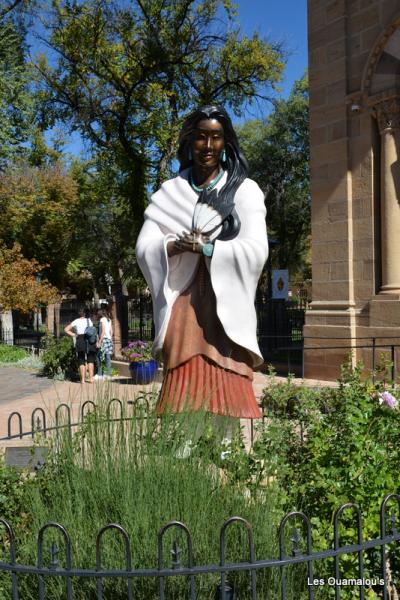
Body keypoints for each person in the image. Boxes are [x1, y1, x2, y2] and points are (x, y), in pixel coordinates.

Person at [135, 105, 268, 418]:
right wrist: (173, 245)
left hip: (226, 306)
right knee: (184, 370)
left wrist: (209, 250)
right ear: (189, 141)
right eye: (201, 137)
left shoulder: (244, 192)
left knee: (226, 371)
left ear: (226, 143)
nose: (208, 146)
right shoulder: (171, 192)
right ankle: (184, 449)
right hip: (185, 301)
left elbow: (256, 249)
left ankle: (224, 448)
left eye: (216, 137)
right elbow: (145, 246)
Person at [64, 307, 97, 384]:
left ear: (79, 313)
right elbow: (92, 331)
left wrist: (74, 334)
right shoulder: (89, 320)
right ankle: (91, 379)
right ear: (85, 313)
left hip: (80, 339)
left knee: (81, 360)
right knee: (91, 360)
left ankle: (82, 380)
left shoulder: (76, 321)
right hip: (89, 340)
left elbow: (66, 329)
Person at [95, 308, 113, 379]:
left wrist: (99, 341)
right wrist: (110, 338)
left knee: (98, 356)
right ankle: (107, 374)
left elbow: (103, 331)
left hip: (103, 339)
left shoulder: (102, 319)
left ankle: (99, 374)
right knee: (107, 357)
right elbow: (111, 330)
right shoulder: (109, 320)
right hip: (108, 340)